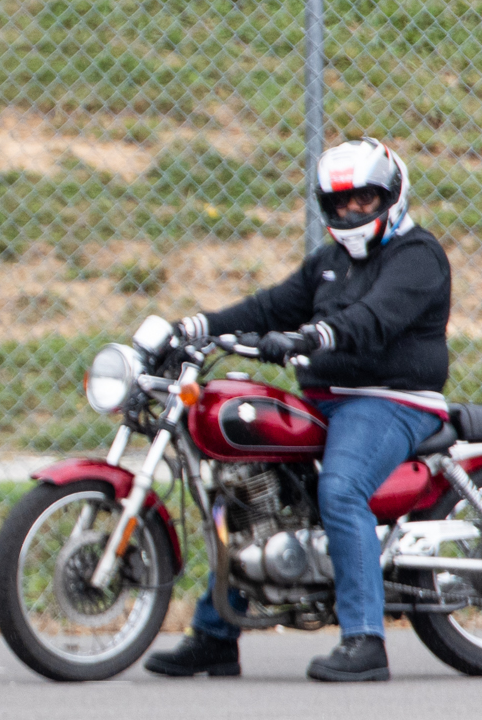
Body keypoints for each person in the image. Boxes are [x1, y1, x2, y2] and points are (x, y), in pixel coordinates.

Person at [146, 138, 448, 684]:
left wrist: (316, 336)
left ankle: (365, 640)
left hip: (392, 401)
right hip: (325, 400)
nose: (351, 213)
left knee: (340, 489)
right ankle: (215, 637)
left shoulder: (418, 256)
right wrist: (198, 327)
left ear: (392, 195)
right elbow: (270, 306)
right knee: (245, 485)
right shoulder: (330, 262)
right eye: (339, 204)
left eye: (363, 200)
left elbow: (374, 319)